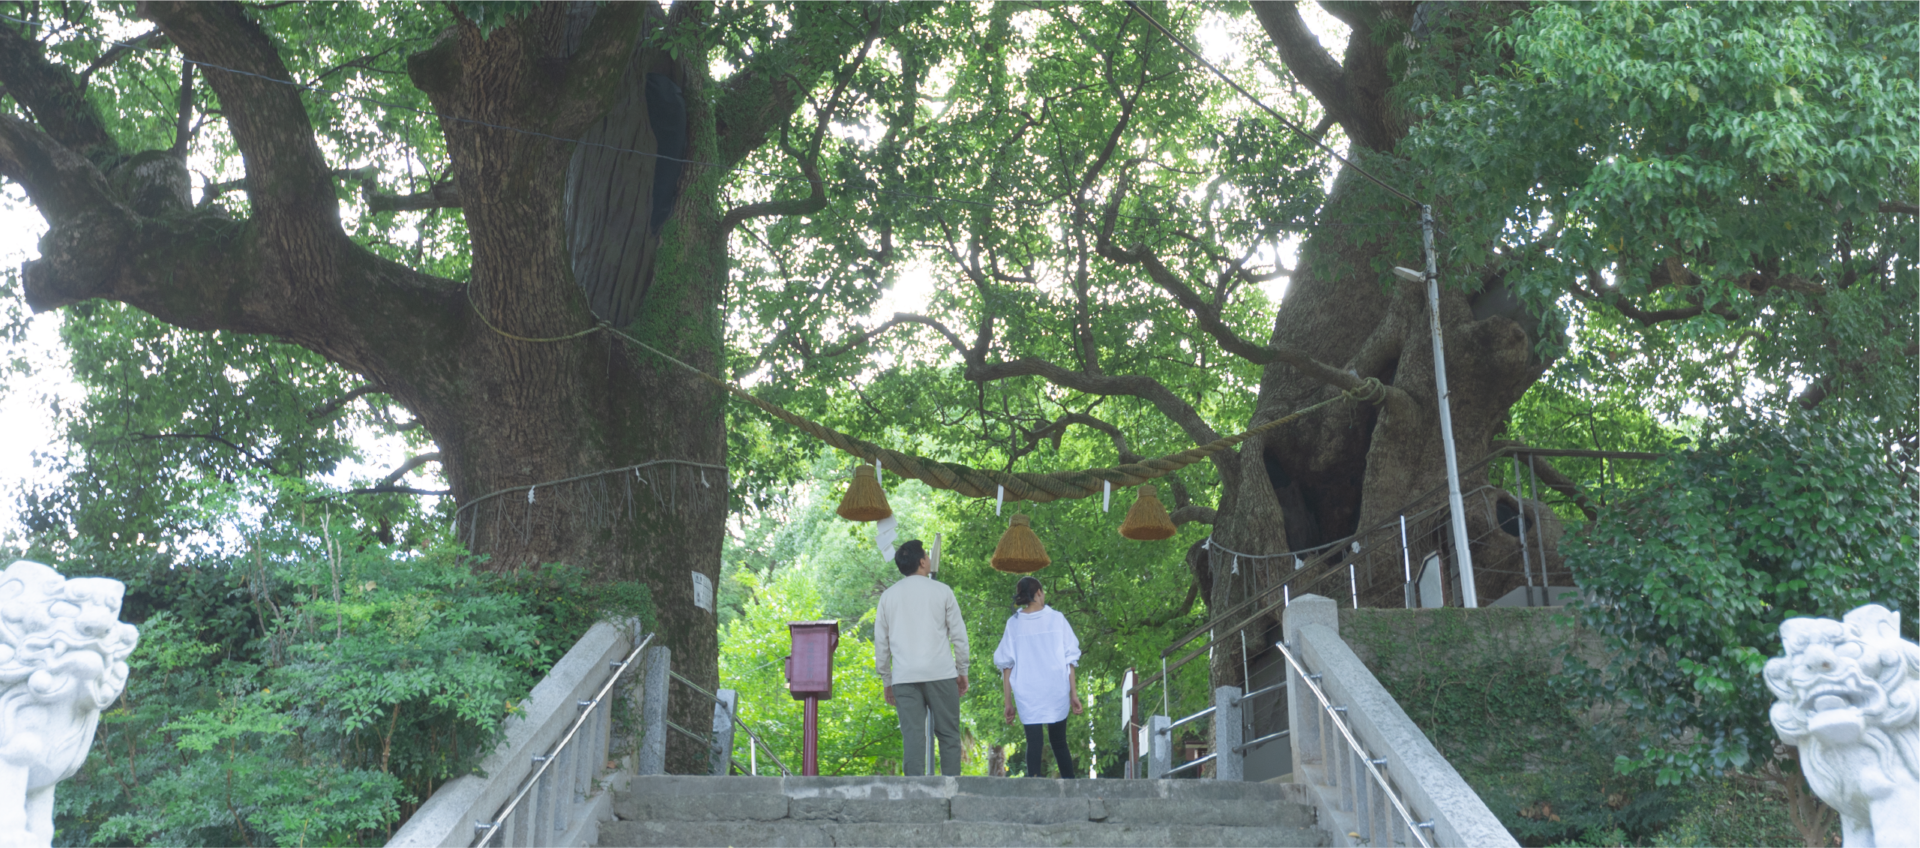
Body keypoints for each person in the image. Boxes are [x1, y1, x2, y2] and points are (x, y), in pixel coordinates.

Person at [873, 539, 970, 776]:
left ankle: (915, 799)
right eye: (926, 555)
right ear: (922, 561)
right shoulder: (942, 591)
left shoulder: (888, 597)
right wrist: (962, 670)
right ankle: (950, 795)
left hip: (904, 677)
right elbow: (958, 635)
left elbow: (881, 644)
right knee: (948, 735)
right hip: (941, 673)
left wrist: (887, 679)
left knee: (913, 738)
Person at [993, 576, 1082, 778]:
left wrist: (1008, 702)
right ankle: (1071, 789)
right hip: (1055, 689)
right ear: (1039, 593)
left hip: (1028, 692)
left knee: (1034, 742)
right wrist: (1073, 694)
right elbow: (1070, 659)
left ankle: (1034, 790)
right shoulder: (1057, 619)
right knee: (1059, 742)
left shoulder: (1014, 624)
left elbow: (1006, 665)